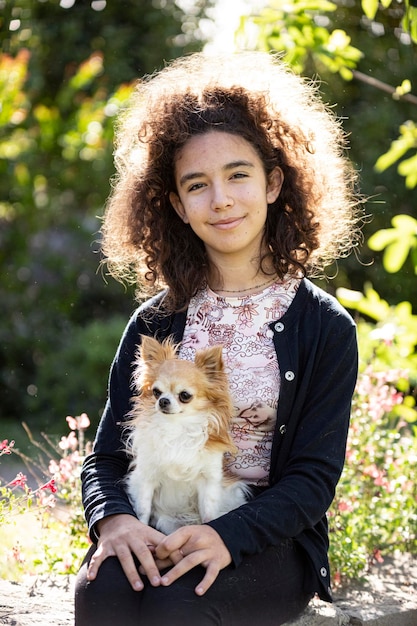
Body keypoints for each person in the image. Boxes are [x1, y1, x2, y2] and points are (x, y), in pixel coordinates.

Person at [75, 51, 362, 625]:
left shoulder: (325, 328)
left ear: (275, 182)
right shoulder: (155, 325)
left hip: (265, 537)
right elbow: (107, 455)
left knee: (177, 607)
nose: (221, 199)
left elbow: (312, 477)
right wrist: (115, 519)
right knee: (101, 593)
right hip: (155, 520)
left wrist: (226, 535)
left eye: (238, 175)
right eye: (197, 185)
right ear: (178, 206)